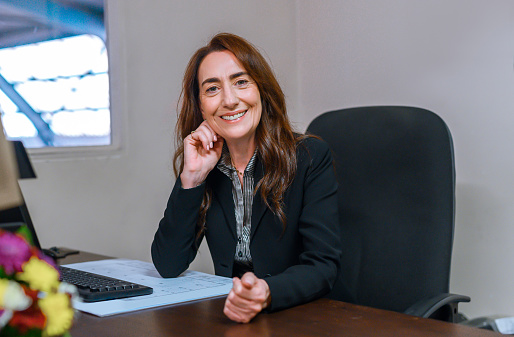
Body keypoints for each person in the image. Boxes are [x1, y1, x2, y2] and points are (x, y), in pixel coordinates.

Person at [151, 32, 341, 323]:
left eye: (241, 82)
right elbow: (168, 264)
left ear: (261, 91)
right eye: (212, 89)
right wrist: (192, 178)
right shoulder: (205, 167)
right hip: (231, 318)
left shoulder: (309, 156)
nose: (229, 100)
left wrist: (265, 292)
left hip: (301, 317)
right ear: (201, 106)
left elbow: (323, 266)